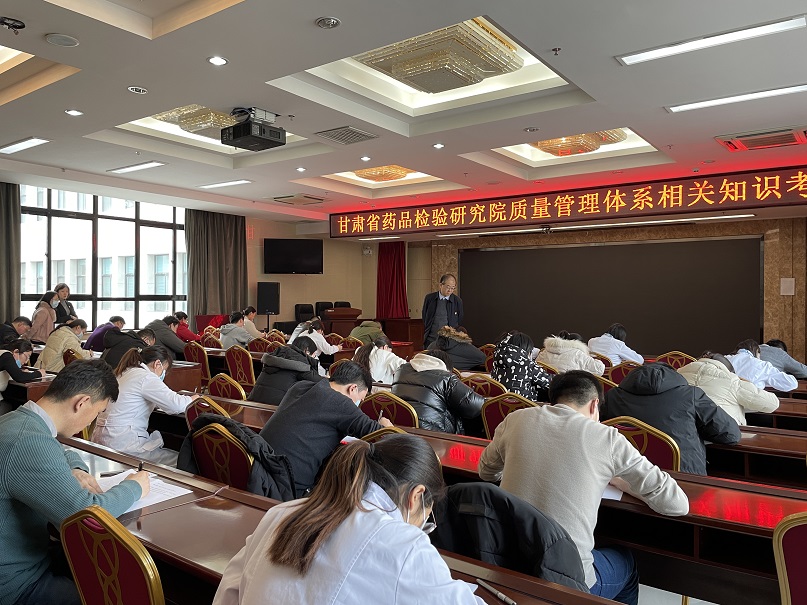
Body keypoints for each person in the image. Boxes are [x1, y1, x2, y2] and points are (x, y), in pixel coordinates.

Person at [479, 371, 689, 605]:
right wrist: (621, 482)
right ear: (594, 404)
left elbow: (486, 472)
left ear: (554, 399)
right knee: (627, 563)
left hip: (506, 564)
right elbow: (677, 504)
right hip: (569, 582)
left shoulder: (515, 419)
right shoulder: (607, 438)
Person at [212, 434, 485, 605]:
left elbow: (228, 594)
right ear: (416, 496)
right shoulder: (404, 547)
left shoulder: (281, 514)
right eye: (427, 517)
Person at [0, 359, 149, 605]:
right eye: (97, 412)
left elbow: (58, 449)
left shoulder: (18, 420)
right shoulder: (29, 441)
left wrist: (76, 468)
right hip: (15, 584)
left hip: (23, 559)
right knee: (109, 595)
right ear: (82, 403)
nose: (91, 422)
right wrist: (135, 487)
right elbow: (86, 515)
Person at [259, 360, 391, 496]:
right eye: (361, 398)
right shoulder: (341, 403)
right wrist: (385, 424)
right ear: (353, 388)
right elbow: (382, 434)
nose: (360, 403)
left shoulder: (300, 386)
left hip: (259, 468)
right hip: (287, 486)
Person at [602, 362, 740, 475]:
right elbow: (731, 435)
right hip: (683, 477)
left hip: (625, 475)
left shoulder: (611, 396)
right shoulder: (691, 395)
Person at [93, 345, 198, 465]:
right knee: (180, 461)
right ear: (157, 364)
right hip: (123, 444)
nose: (163, 375)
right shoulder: (146, 377)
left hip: (102, 440)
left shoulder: (125, 372)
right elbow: (176, 405)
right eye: (164, 371)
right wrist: (193, 398)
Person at [392, 350, 484, 434]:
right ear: (447, 368)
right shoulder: (446, 378)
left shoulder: (401, 371)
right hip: (433, 435)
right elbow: (476, 406)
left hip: (399, 431)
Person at [678, 352, 780, 425]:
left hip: (680, 432)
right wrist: (745, 382)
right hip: (718, 436)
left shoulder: (677, 373)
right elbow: (772, 404)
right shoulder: (732, 380)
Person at [248, 337, 324, 405]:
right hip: (276, 408)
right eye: (314, 355)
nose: (314, 357)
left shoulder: (275, 356)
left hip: (253, 402)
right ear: (306, 351)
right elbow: (321, 383)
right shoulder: (300, 363)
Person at [491, 331, 551, 403]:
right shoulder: (527, 364)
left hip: (498, 404)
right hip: (523, 406)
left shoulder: (497, 360)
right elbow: (550, 382)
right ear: (527, 349)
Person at [726, 339, 798, 391]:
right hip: (748, 403)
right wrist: (767, 380)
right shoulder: (762, 366)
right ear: (757, 351)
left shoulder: (725, 359)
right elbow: (791, 383)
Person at [0, 339, 46, 407]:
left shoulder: (3, 354)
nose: (26, 361)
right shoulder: (7, 356)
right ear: (16, 351)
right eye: (26, 357)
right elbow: (20, 377)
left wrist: (21, 372)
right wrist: (39, 373)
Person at [537, 331, 606, 375]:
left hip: (544, 386)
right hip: (569, 388)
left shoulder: (544, 352)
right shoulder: (578, 354)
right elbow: (599, 369)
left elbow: (536, 364)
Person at [422, 274, 464, 348]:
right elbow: (425, 316)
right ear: (441, 285)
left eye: (452, 288)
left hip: (449, 341)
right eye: (448, 287)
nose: (450, 290)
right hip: (431, 339)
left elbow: (459, 319)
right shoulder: (430, 298)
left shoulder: (457, 301)